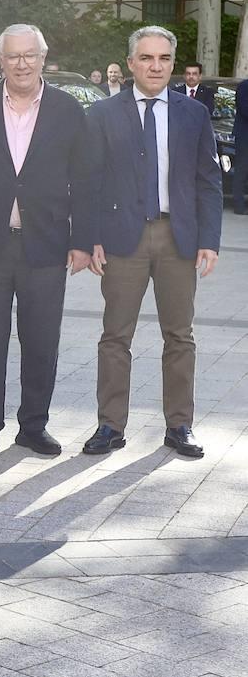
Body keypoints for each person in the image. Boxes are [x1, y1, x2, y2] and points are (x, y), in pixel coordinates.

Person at [80, 26, 221, 459]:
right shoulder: (102, 114)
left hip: (178, 239)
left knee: (180, 336)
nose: (155, 66)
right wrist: (91, 238)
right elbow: (89, 182)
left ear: (172, 64)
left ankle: (179, 425)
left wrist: (209, 240)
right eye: (146, 58)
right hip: (123, 239)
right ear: (130, 63)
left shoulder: (191, 114)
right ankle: (110, 425)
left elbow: (208, 181)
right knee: (115, 336)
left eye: (163, 58)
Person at [0, 25, 92, 458]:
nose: (22, 64)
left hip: (46, 244)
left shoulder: (69, 111)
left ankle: (33, 425)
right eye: (13, 56)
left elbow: (86, 180)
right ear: (0, 61)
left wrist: (83, 240)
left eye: (29, 55)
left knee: (41, 340)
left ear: (43, 57)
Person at [235, 77, 248, 215]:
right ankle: (239, 205)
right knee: (242, 171)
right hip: (245, 136)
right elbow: (244, 108)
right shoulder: (244, 86)